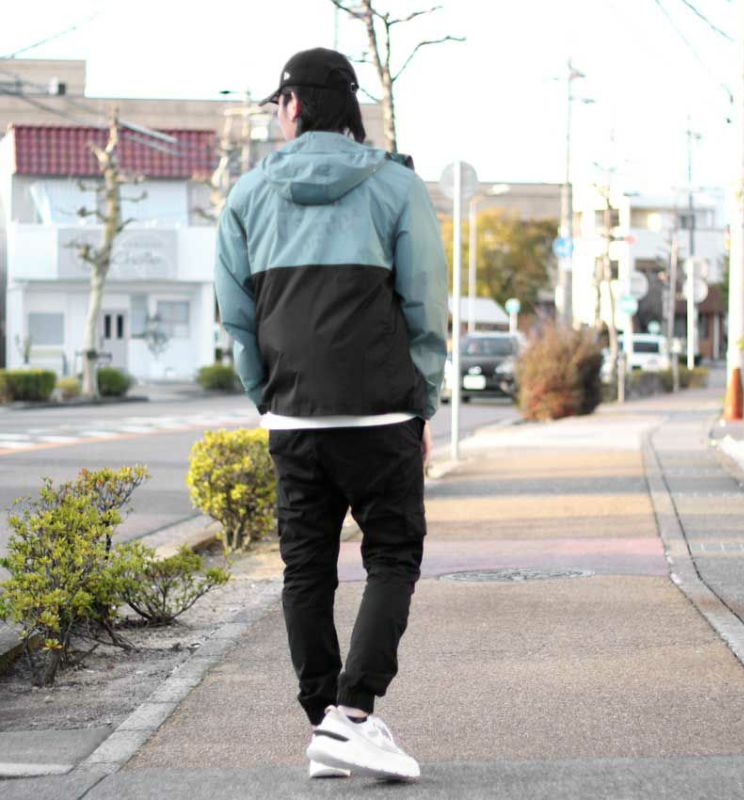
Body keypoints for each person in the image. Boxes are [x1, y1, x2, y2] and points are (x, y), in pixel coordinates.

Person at [213, 47, 448, 782]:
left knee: (306, 569)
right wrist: (422, 402)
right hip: (381, 414)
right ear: (350, 107)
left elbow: (236, 315)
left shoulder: (247, 195)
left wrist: (268, 397)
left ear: (292, 105)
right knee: (393, 556)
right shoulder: (396, 186)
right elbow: (425, 305)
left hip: (294, 417)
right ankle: (351, 715)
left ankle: (325, 724)